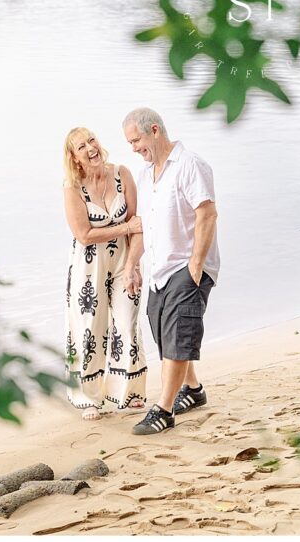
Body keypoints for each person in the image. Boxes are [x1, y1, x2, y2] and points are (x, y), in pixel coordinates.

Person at [122, 108, 220, 435]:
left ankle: (163, 409)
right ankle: (193, 390)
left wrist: (195, 266)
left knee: (178, 334)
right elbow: (144, 227)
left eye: (136, 140)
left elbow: (207, 214)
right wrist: (133, 264)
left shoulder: (190, 165)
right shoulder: (146, 175)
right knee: (164, 335)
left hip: (187, 265)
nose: (134, 148)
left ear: (154, 130)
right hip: (158, 270)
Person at [62, 127, 148, 421]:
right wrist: (124, 228)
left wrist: (133, 265)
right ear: (74, 158)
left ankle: (130, 392)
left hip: (125, 260)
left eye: (92, 140)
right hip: (89, 268)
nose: (90, 148)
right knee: (90, 329)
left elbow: (140, 224)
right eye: (81, 146)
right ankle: (88, 398)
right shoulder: (72, 187)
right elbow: (84, 234)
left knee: (128, 323)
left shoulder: (122, 174)